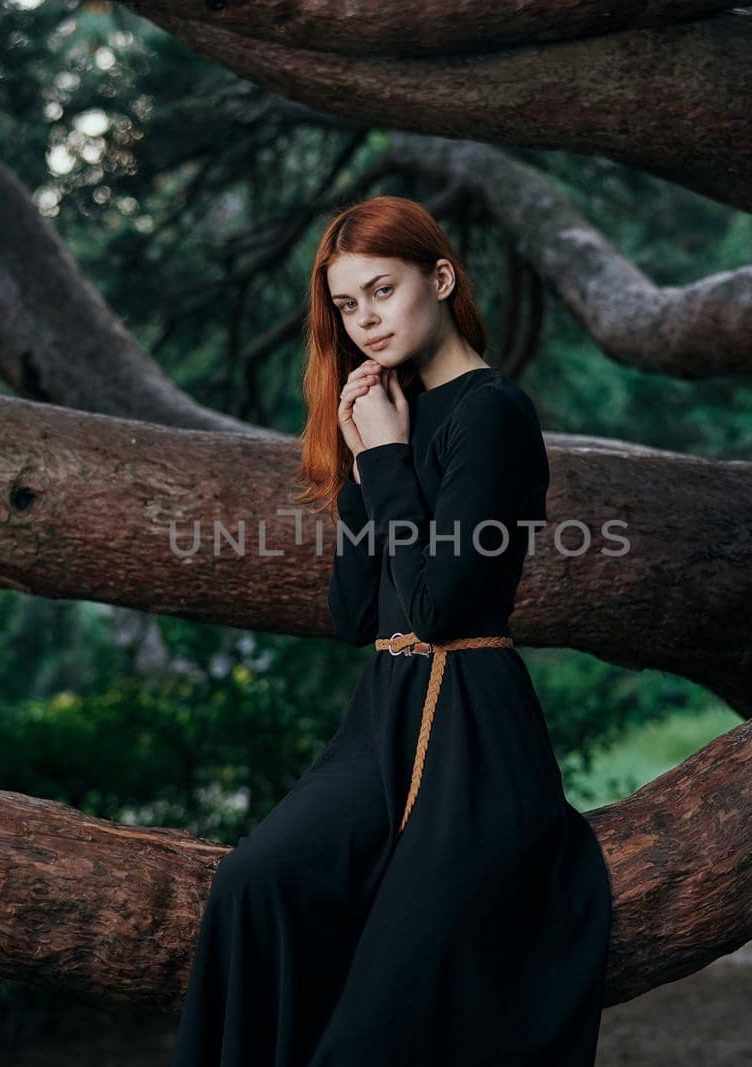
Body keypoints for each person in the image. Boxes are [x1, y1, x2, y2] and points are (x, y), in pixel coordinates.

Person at [172, 195, 613, 1066]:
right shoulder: (391, 411)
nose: (365, 320)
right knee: (253, 883)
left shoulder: (491, 411)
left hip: (473, 731)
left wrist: (386, 458)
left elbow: (445, 606)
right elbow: (352, 615)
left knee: (386, 1020)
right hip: (381, 718)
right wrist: (360, 460)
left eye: (382, 290)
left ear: (440, 278)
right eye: (346, 305)